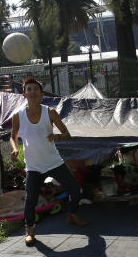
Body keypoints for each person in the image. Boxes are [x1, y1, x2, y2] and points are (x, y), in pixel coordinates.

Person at [10, 77, 87, 247]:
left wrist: (57, 136)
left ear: (41, 94)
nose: (32, 91)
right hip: (33, 166)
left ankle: (72, 214)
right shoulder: (18, 116)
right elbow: (13, 136)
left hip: (53, 161)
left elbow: (67, 134)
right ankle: (29, 230)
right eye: (28, 89)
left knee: (75, 190)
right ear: (24, 94)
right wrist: (15, 149)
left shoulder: (50, 112)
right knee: (30, 200)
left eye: (35, 89)